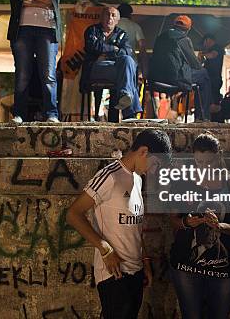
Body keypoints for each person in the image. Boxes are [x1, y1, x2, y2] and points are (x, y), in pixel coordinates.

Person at [66, 129, 172, 319]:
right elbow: (73, 214)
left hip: (136, 271)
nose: (154, 170)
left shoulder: (138, 180)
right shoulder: (110, 176)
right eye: (155, 164)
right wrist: (105, 249)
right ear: (143, 152)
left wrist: (145, 261)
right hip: (113, 273)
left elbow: (136, 228)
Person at [169, 133, 230, 319]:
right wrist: (187, 222)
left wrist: (219, 226)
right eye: (199, 162)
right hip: (186, 267)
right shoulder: (182, 182)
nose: (204, 167)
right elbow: (173, 220)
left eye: (209, 162)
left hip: (224, 269)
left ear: (219, 156)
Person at [8, 0, 61, 123]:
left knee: (48, 74)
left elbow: (52, 1)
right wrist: (40, 0)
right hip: (23, 30)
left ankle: (51, 114)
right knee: (23, 74)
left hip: (47, 31)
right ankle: (19, 114)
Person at [80, 6, 142, 120]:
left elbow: (127, 51)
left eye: (113, 15)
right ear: (101, 17)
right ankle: (130, 114)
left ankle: (126, 95)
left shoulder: (122, 34)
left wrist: (104, 52)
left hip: (114, 69)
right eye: (107, 14)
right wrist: (114, 49)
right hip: (96, 68)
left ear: (118, 20)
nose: (110, 18)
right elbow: (92, 46)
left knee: (128, 61)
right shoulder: (92, 30)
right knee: (127, 74)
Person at [148, 15, 211, 121]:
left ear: (173, 25)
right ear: (188, 29)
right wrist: (201, 59)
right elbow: (195, 65)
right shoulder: (183, 39)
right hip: (175, 79)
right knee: (204, 73)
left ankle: (202, 115)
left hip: (156, 80)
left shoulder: (160, 37)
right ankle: (202, 116)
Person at [117, 3, 148, 77]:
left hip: (114, 63)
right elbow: (142, 47)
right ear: (130, 14)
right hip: (131, 63)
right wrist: (144, 69)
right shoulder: (135, 26)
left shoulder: (113, 25)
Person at [200, 34, 225, 108]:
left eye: (204, 43)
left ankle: (214, 117)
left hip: (214, 79)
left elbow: (213, 55)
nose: (204, 45)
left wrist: (203, 55)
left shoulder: (217, 48)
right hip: (210, 79)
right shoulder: (210, 50)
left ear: (208, 40)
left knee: (213, 102)